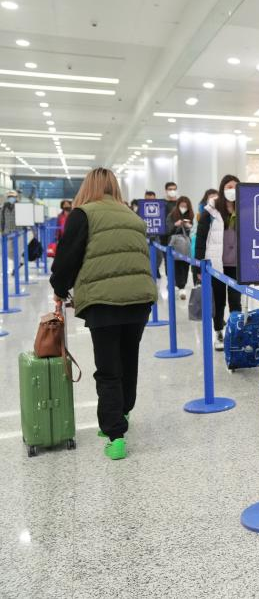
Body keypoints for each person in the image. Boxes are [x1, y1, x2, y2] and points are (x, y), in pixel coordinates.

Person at [49, 168, 157, 461]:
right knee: (128, 360)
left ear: (88, 186)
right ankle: (123, 412)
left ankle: (115, 436)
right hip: (139, 299)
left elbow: (67, 258)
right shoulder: (132, 216)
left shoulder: (83, 214)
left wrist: (59, 289)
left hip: (103, 302)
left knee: (108, 368)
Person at [195, 175, 241, 351]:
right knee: (219, 300)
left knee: (235, 301)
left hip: (237, 264)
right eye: (229, 186)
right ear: (222, 188)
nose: (232, 190)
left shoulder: (244, 209)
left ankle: (235, 332)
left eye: (235, 186)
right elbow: (200, 240)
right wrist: (199, 266)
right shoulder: (210, 211)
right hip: (217, 264)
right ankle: (219, 332)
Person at [166, 195, 195, 298]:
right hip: (175, 244)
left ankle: (182, 286)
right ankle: (178, 285)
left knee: (185, 265)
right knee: (177, 265)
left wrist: (189, 227)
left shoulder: (191, 216)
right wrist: (176, 225)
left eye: (185, 206)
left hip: (186, 245)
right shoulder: (171, 216)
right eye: (182, 206)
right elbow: (168, 230)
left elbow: (194, 231)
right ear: (178, 205)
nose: (183, 208)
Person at [190, 189, 217, 285]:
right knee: (201, 284)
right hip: (199, 251)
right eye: (211, 198)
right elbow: (194, 234)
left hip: (216, 255)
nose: (214, 200)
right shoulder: (200, 215)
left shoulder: (220, 214)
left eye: (216, 198)